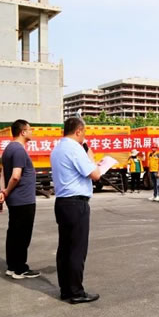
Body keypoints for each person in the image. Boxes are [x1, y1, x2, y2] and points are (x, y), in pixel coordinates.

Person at [50, 117, 102, 304]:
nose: (84, 137)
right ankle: (76, 292)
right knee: (77, 249)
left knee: (65, 248)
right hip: (76, 203)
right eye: (84, 133)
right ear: (78, 131)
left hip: (62, 202)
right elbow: (95, 174)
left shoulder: (58, 148)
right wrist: (91, 156)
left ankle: (66, 289)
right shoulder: (75, 149)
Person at [0, 119, 40, 278]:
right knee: (22, 235)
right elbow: (16, 176)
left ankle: (11, 266)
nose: (31, 132)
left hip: (16, 199)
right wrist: (7, 191)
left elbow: (3, 173)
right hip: (23, 199)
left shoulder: (8, 149)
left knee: (14, 233)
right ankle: (20, 268)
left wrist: (3, 191)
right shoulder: (19, 150)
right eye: (30, 129)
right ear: (23, 132)